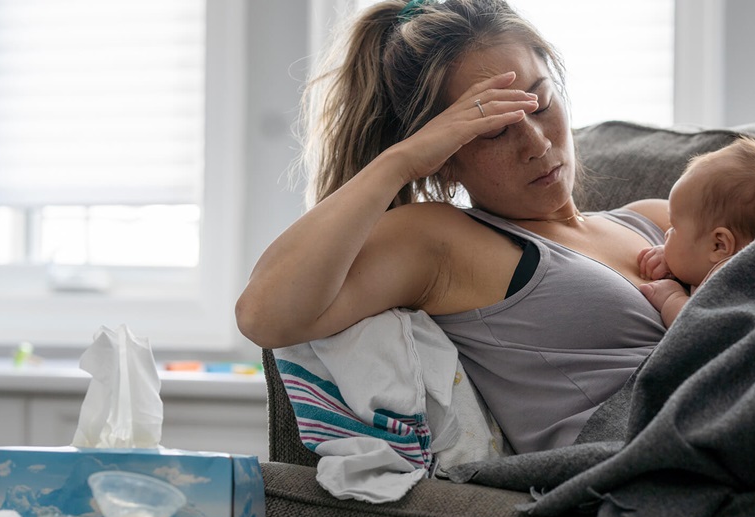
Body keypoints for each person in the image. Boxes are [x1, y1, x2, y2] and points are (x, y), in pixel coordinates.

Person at [235, 0, 671, 455]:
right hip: (652, 452)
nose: (536, 144)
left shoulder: (657, 219)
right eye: (493, 131)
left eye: (540, 102)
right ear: (444, 160)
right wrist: (401, 163)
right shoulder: (446, 242)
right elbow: (263, 315)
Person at [637, 136, 755, 327]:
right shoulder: (747, 260)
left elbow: (699, 331)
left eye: (674, 228)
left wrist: (671, 299)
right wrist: (675, 260)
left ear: (719, 245)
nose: (666, 235)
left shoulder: (737, 281)